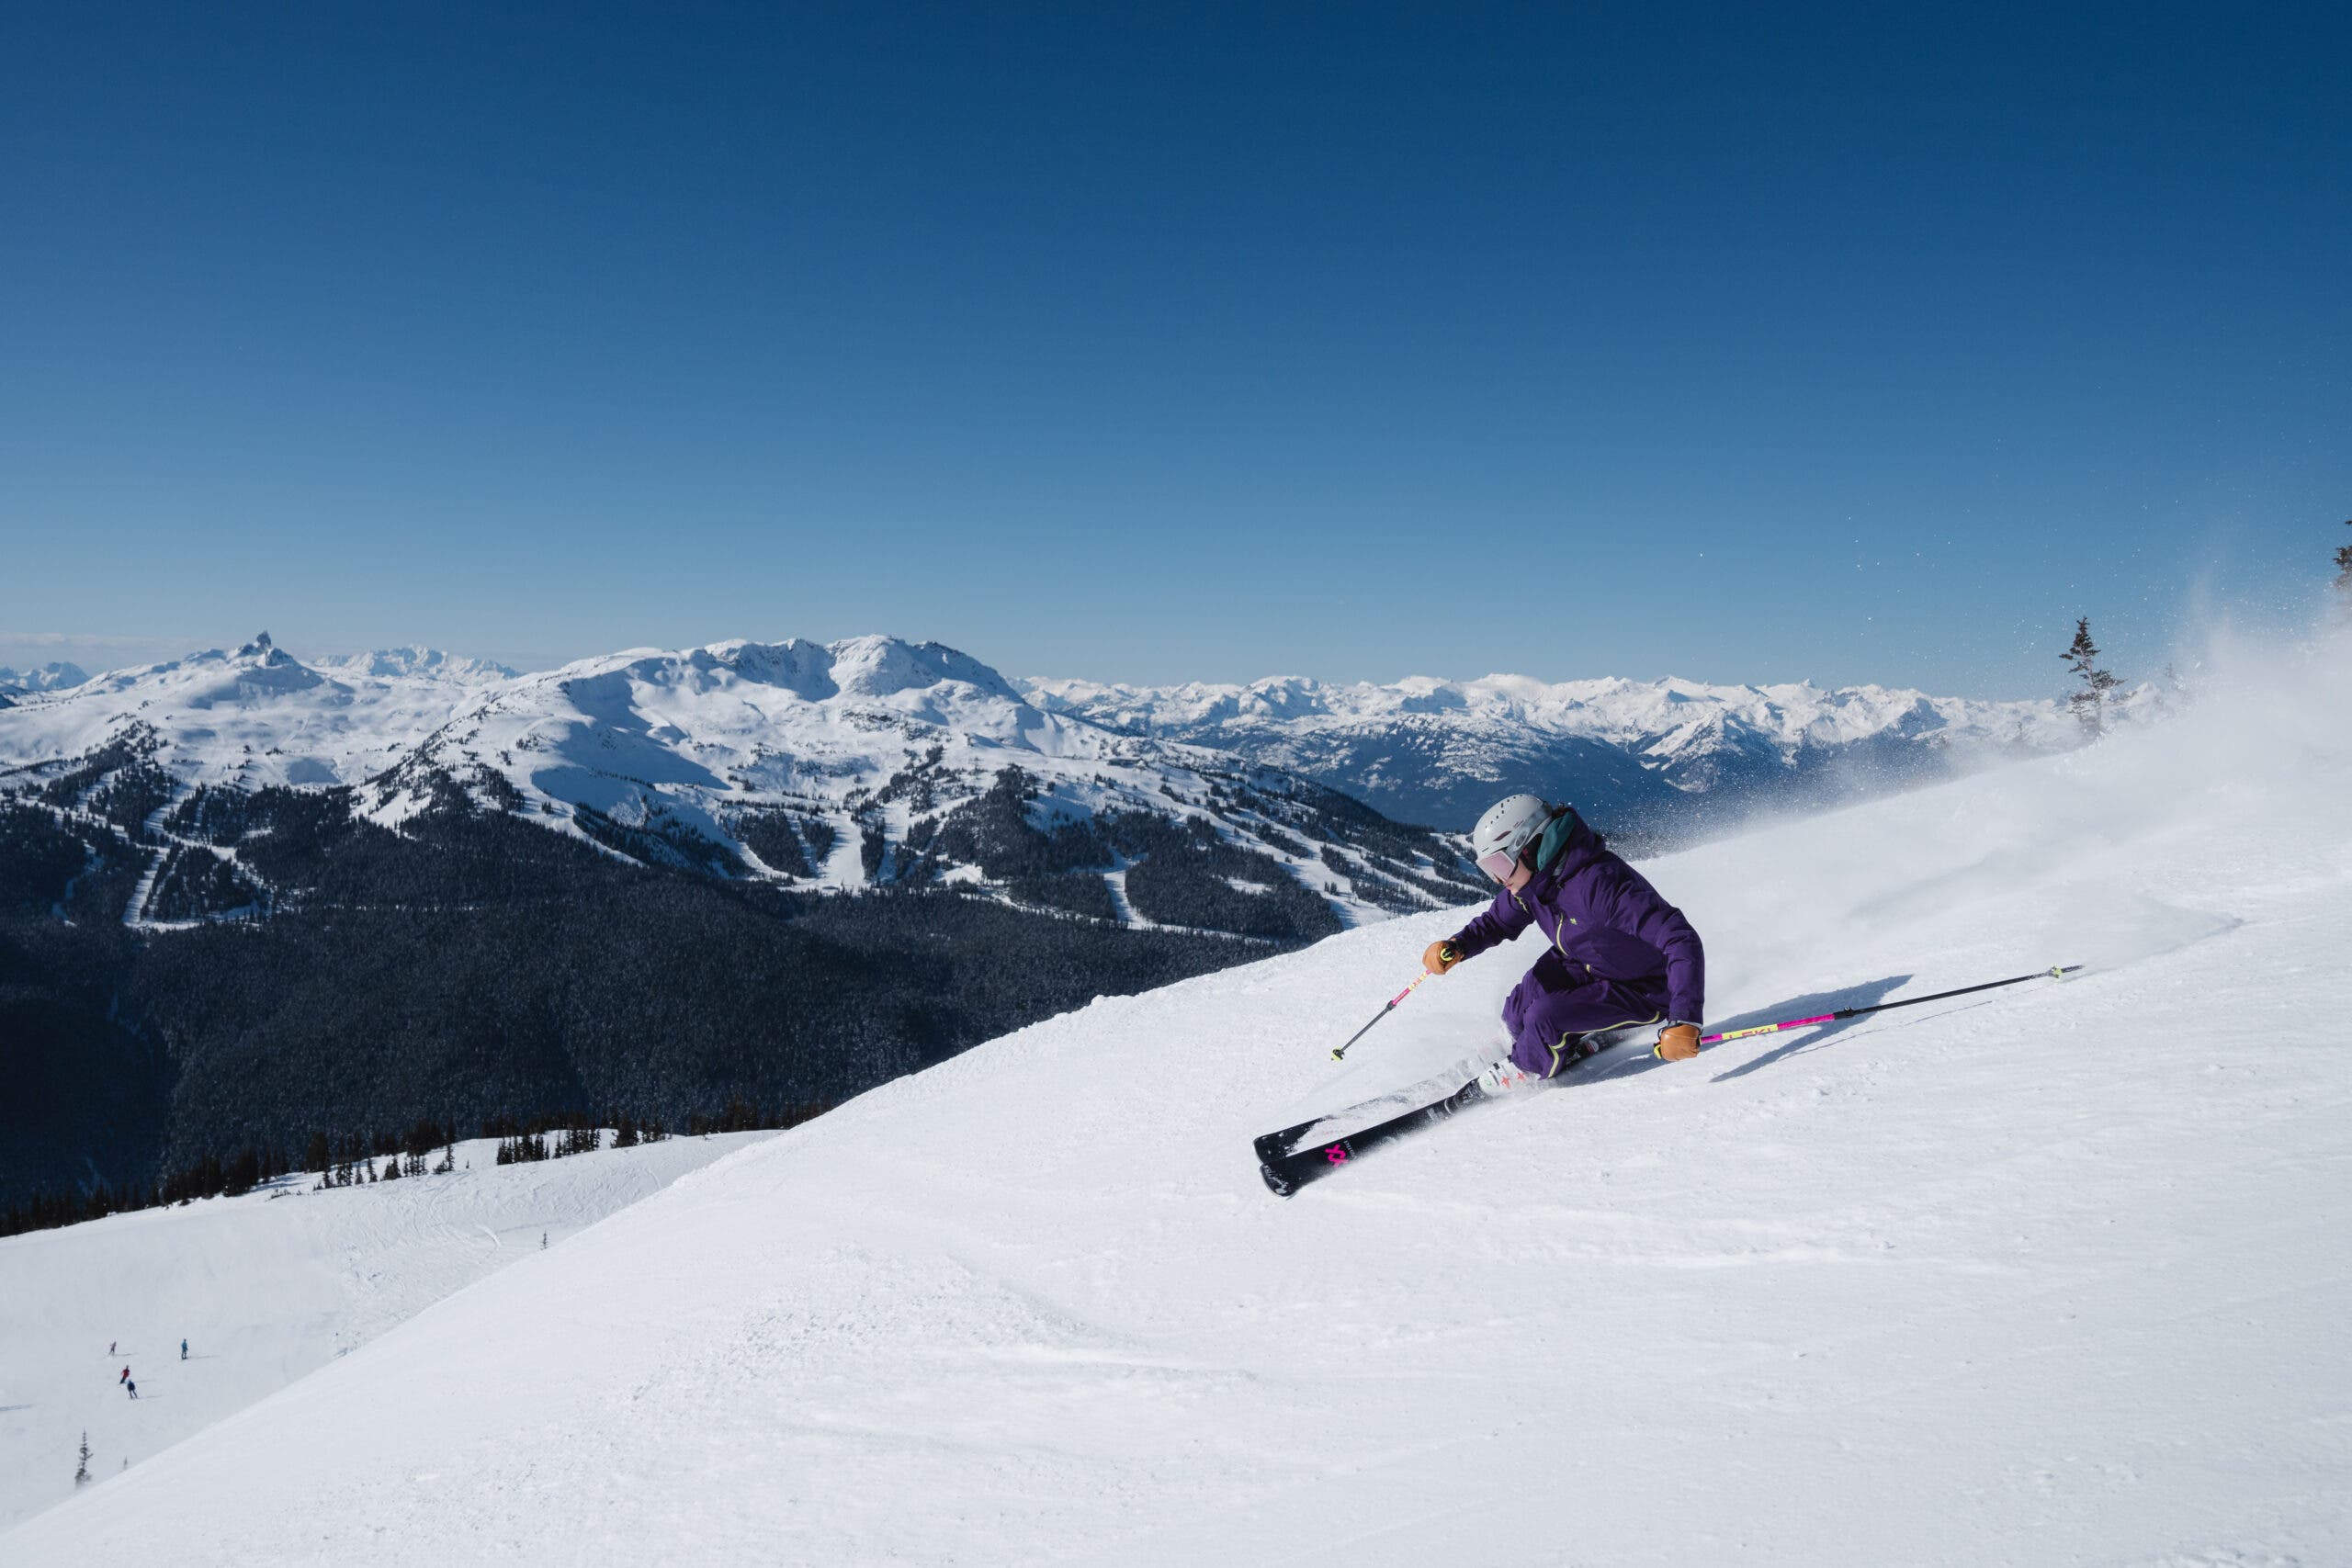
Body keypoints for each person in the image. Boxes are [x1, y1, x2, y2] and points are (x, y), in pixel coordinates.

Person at [1425, 794, 1706, 1077]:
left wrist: (1685, 1018)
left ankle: (1526, 1070)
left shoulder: (1598, 885)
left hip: (1644, 987)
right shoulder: (1535, 883)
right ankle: (1519, 1043)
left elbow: (1679, 937)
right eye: (1489, 870)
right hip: (1589, 961)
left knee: (1544, 1017)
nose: (1499, 880)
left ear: (1528, 847)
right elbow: (1497, 922)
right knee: (1519, 1007)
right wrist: (1459, 945)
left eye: (1499, 865)